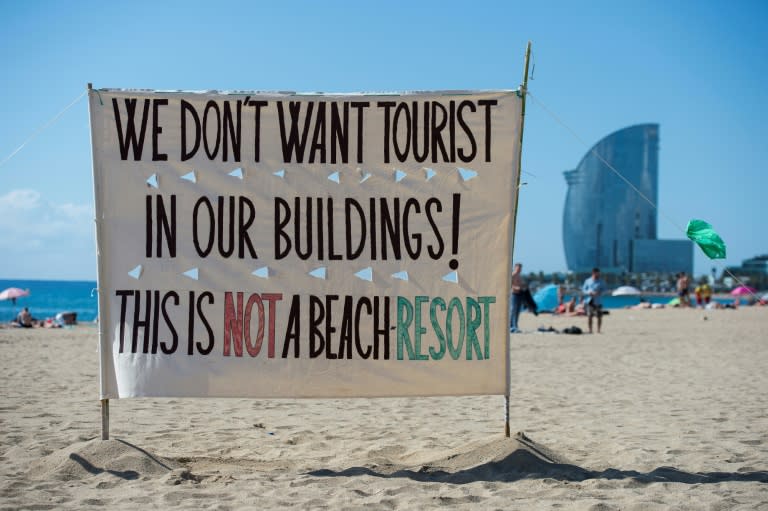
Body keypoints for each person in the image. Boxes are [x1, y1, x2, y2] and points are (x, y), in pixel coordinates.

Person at [582, 267, 604, 333]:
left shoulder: (601, 281)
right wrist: (589, 292)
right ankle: (590, 330)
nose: (598, 275)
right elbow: (583, 290)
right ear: (593, 273)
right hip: (589, 300)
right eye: (596, 273)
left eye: (598, 274)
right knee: (589, 316)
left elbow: (604, 289)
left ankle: (598, 330)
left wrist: (599, 292)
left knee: (599, 316)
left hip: (598, 300)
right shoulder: (587, 281)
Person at [509, 263, 526, 333]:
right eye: (518, 268)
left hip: (519, 294)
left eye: (520, 268)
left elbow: (521, 284)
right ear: (515, 267)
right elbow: (509, 284)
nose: (519, 269)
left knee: (518, 311)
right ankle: (511, 326)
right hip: (514, 294)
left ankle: (515, 325)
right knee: (513, 310)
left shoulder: (519, 276)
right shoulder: (513, 275)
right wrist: (516, 287)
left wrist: (523, 287)